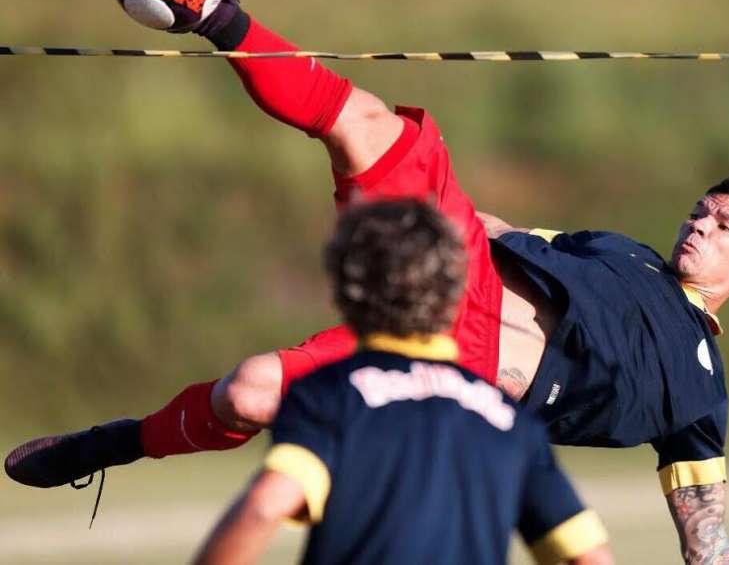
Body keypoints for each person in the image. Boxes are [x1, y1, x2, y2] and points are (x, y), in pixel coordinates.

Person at [5, 0, 729, 563]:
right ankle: (210, 4)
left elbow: (705, 524)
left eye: (724, 225)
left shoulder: (705, 389)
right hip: (461, 271)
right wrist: (405, 200)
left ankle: (115, 442)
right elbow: (502, 230)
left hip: (457, 368)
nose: (699, 223)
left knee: (247, 391)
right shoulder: (625, 253)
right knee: (374, 124)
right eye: (699, 210)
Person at [193, 197, 612, 565]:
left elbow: (265, 508)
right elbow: (589, 554)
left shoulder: (330, 396)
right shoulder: (510, 423)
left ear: (345, 291)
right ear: (454, 295)